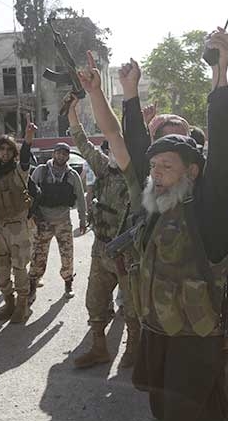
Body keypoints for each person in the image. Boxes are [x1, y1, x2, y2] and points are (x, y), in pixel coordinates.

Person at [88, 25, 228, 419]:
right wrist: (127, 91)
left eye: (166, 167)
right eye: (153, 166)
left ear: (192, 171)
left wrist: (220, 73)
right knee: (163, 410)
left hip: (195, 341)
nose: (155, 173)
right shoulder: (154, 203)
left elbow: (223, 147)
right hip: (156, 331)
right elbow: (124, 138)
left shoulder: (210, 207)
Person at [65, 86, 139, 370]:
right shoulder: (103, 167)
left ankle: (133, 348)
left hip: (128, 254)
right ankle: (99, 348)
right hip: (101, 249)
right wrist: (72, 113)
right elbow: (82, 142)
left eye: (116, 147)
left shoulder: (136, 177)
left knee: (132, 306)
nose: (111, 151)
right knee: (94, 302)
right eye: (108, 148)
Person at [0, 126, 34, 322]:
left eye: (9, 150)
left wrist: (28, 139)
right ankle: (9, 302)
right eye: (1, 149)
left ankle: (22, 305)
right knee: (1, 268)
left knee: (19, 267)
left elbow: (25, 158)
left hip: (17, 227)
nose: (5, 153)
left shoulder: (19, 171)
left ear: (14, 153)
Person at [28, 142, 87, 300]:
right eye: (59, 153)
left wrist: (83, 219)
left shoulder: (72, 175)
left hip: (63, 222)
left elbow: (81, 198)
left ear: (68, 156)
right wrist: (30, 215)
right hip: (43, 221)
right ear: (53, 154)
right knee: (38, 256)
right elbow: (29, 193)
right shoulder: (41, 171)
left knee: (67, 256)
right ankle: (32, 286)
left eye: (65, 154)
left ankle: (68, 283)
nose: (61, 156)